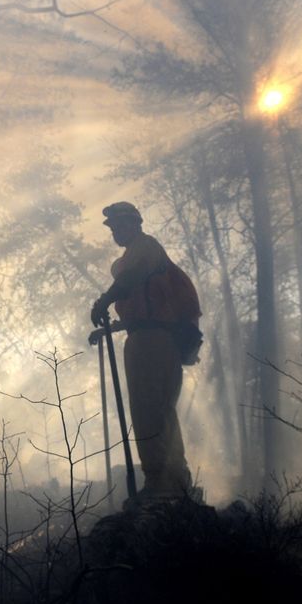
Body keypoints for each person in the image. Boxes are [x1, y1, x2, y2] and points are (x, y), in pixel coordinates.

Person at [90, 201, 201, 500]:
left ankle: (165, 482)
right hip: (143, 338)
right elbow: (136, 313)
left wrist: (105, 299)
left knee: (152, 409)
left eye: (120, 225)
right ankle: (168, 480)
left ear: (136, 224)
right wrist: (107, 329)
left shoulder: (146, 248)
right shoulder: (128, 259)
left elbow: (132, 279)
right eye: (112, 228)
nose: (116, 232)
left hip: (155, 340)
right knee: (151, 410)